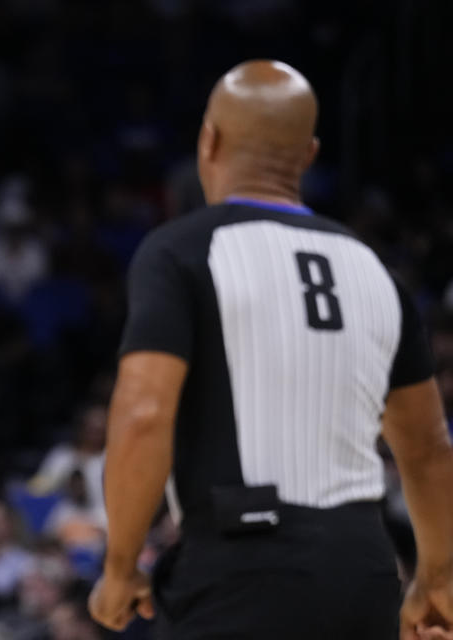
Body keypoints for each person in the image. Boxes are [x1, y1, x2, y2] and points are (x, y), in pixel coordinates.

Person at [87, 60, 453, 640]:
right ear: (308, 154)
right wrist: (437, 581)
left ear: (209, 141)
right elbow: (428, 449)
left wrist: (120, 566)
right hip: (364, 572)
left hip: (240, 569)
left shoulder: (180, 251)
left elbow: (143, 415)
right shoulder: (376, 270)